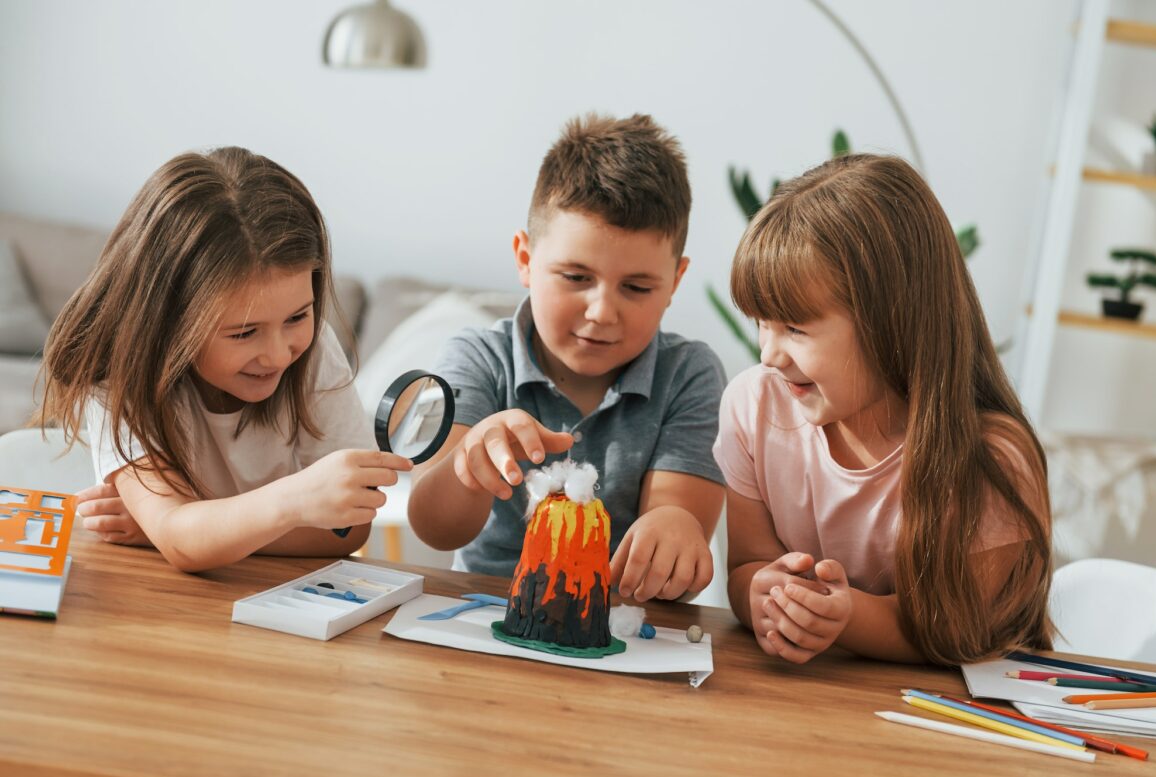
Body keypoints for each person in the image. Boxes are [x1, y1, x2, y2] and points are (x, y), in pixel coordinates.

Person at [715, 154, 1053, 666]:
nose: (769, 354)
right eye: (763, 323)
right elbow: (746, 566)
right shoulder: (753, 405)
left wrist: (845, 617)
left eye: (796, 329)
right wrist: (761, 595)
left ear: (892, 321)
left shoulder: (992, 460)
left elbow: (963, 636)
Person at [39, 147, 409, 572]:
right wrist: (292, 504)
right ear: (169, 321)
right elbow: (182, 541)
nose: (277, 353)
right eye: (244, 332)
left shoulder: (316, 351)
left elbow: (350, 529)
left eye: (298, 317)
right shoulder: (120, 375)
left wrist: (183, 528)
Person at [407, 113, 726, 601]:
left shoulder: (689, 374)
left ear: (675, 283)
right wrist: (467, 468)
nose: (601, 312)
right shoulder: (478, 357)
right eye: (576, 277)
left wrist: (675, 528)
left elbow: (676, 526)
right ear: (525, 260)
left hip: (620, 625)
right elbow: (434, 528)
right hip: (484, 619)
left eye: (637, 287)